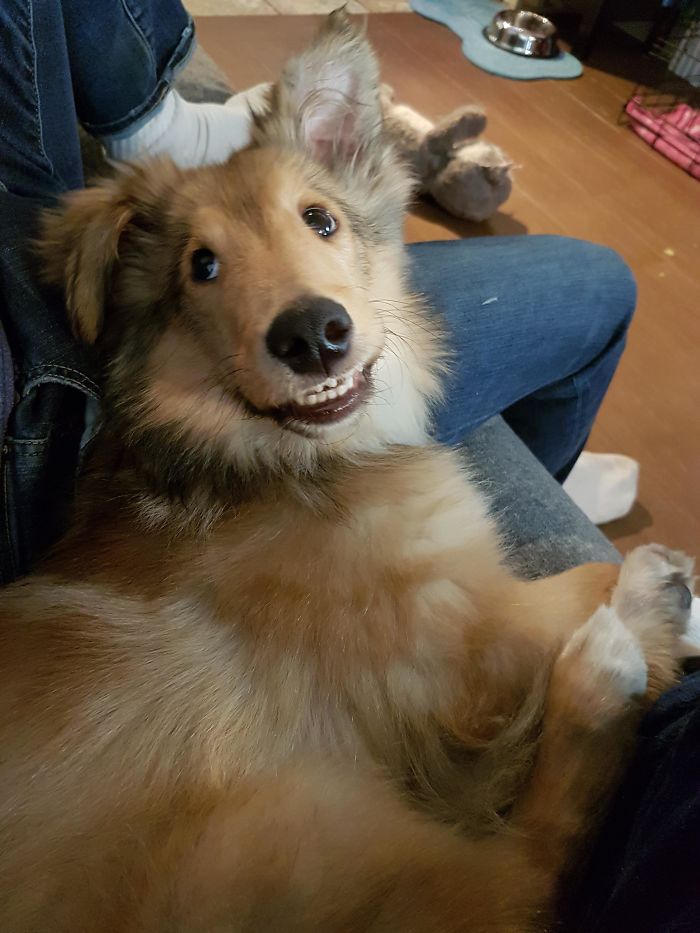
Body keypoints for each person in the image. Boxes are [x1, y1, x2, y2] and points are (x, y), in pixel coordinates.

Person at [1, 2, 697, 929]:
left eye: (319, 219)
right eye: (205, 267)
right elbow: (482, 680)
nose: (302, 309)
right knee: (280, 845)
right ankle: (542, 854)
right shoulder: (278, 542)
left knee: (595, 282)